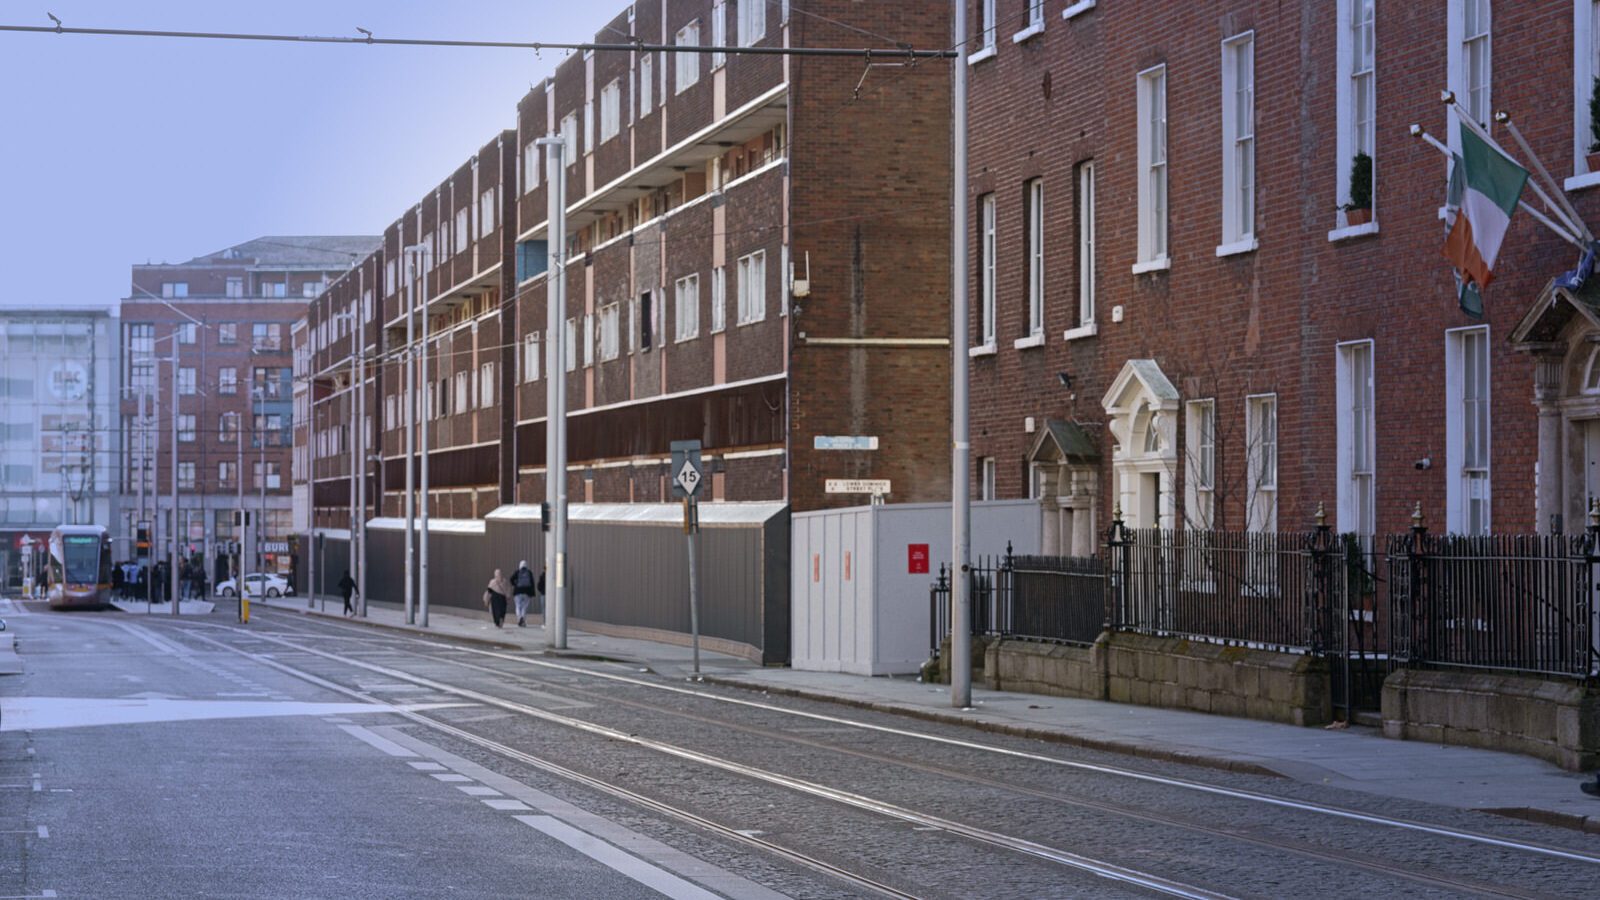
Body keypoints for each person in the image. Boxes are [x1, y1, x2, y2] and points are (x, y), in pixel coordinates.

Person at [510, 560, 536, 627]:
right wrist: (532, 593)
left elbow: (511, 579)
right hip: (527, 593)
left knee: (518, 606)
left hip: (518, 592)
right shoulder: (529, 572)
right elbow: (532, 583)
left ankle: (519, 619)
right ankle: (523, 619)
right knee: (524, 607)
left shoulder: (517, 572)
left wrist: (515, 584)